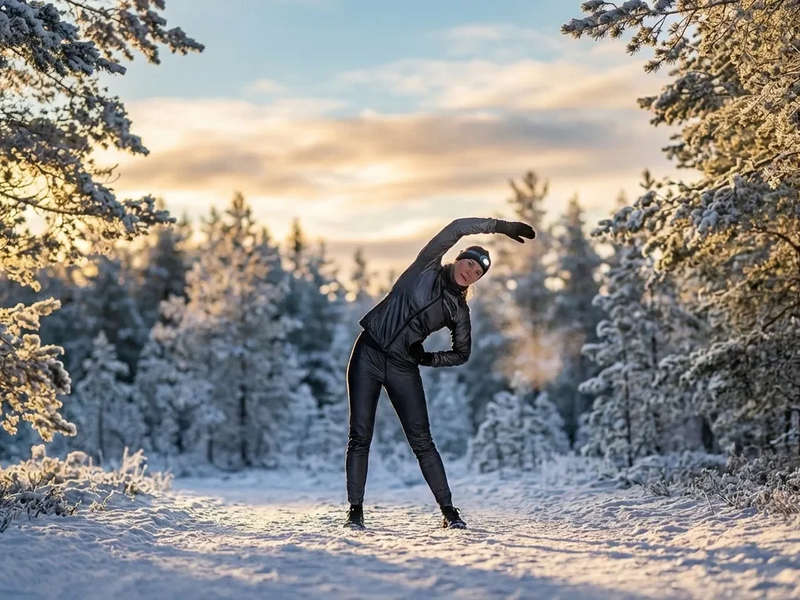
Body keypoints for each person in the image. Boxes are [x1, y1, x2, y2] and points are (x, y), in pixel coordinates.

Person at [343, 217, 536, 530]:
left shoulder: (458, 310)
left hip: (403, 366)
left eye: (477, 273)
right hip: (369, 352)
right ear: (458, 258)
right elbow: (457, 227)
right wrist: (500, 227)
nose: (470, 272)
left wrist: (429, 358)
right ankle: (356, 511)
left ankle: (449, 512)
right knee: (360, 434)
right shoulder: (427, 266)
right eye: (469, 264)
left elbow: (462, 353)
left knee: (422, 441)